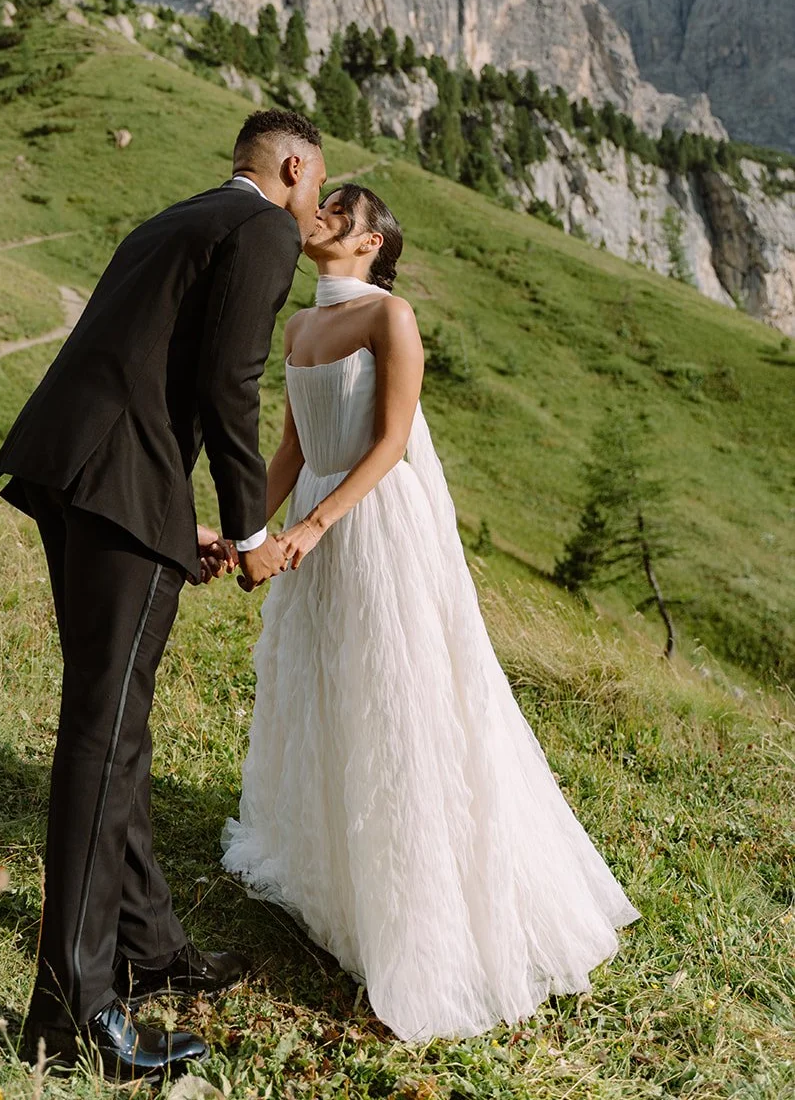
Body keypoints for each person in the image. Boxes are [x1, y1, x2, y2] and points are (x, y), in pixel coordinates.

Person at [222, 183, 639, 1040]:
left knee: (395, 700)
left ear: (371, 242)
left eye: (340, 210)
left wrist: (308, 529)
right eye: (322, 204)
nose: (322, 215)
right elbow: (294, 446)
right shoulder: (299, 328)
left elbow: (388, 443)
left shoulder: (390, 317)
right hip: (314, 524)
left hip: (375, 525)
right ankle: (344, 877)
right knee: (326, 690)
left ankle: (424, 907)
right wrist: (244, 533)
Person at [0, 109, 327, 1081]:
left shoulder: (173, 219)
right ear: (293, 167)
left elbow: (144, 379)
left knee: (117, 723)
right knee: (99, 731)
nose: (309, 212)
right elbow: (229, 384)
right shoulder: (262, 228)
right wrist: (253, 533)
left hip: (84, 475)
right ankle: (71, 1011)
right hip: (119, 492)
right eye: (314, 188)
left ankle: (147, 945)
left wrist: (188, 527)